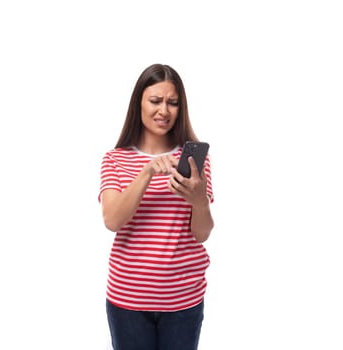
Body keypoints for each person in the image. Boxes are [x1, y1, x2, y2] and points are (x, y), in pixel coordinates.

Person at [98, 63, 215, 350]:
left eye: (172, 103)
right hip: (128, 300)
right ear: (138, 102)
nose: (164, 110)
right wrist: (147, 173)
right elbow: (113, 220)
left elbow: (202, 234)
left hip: (184, 299)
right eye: (155, 101)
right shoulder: (114, 160)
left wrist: (199, 199)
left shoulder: (194, 161)